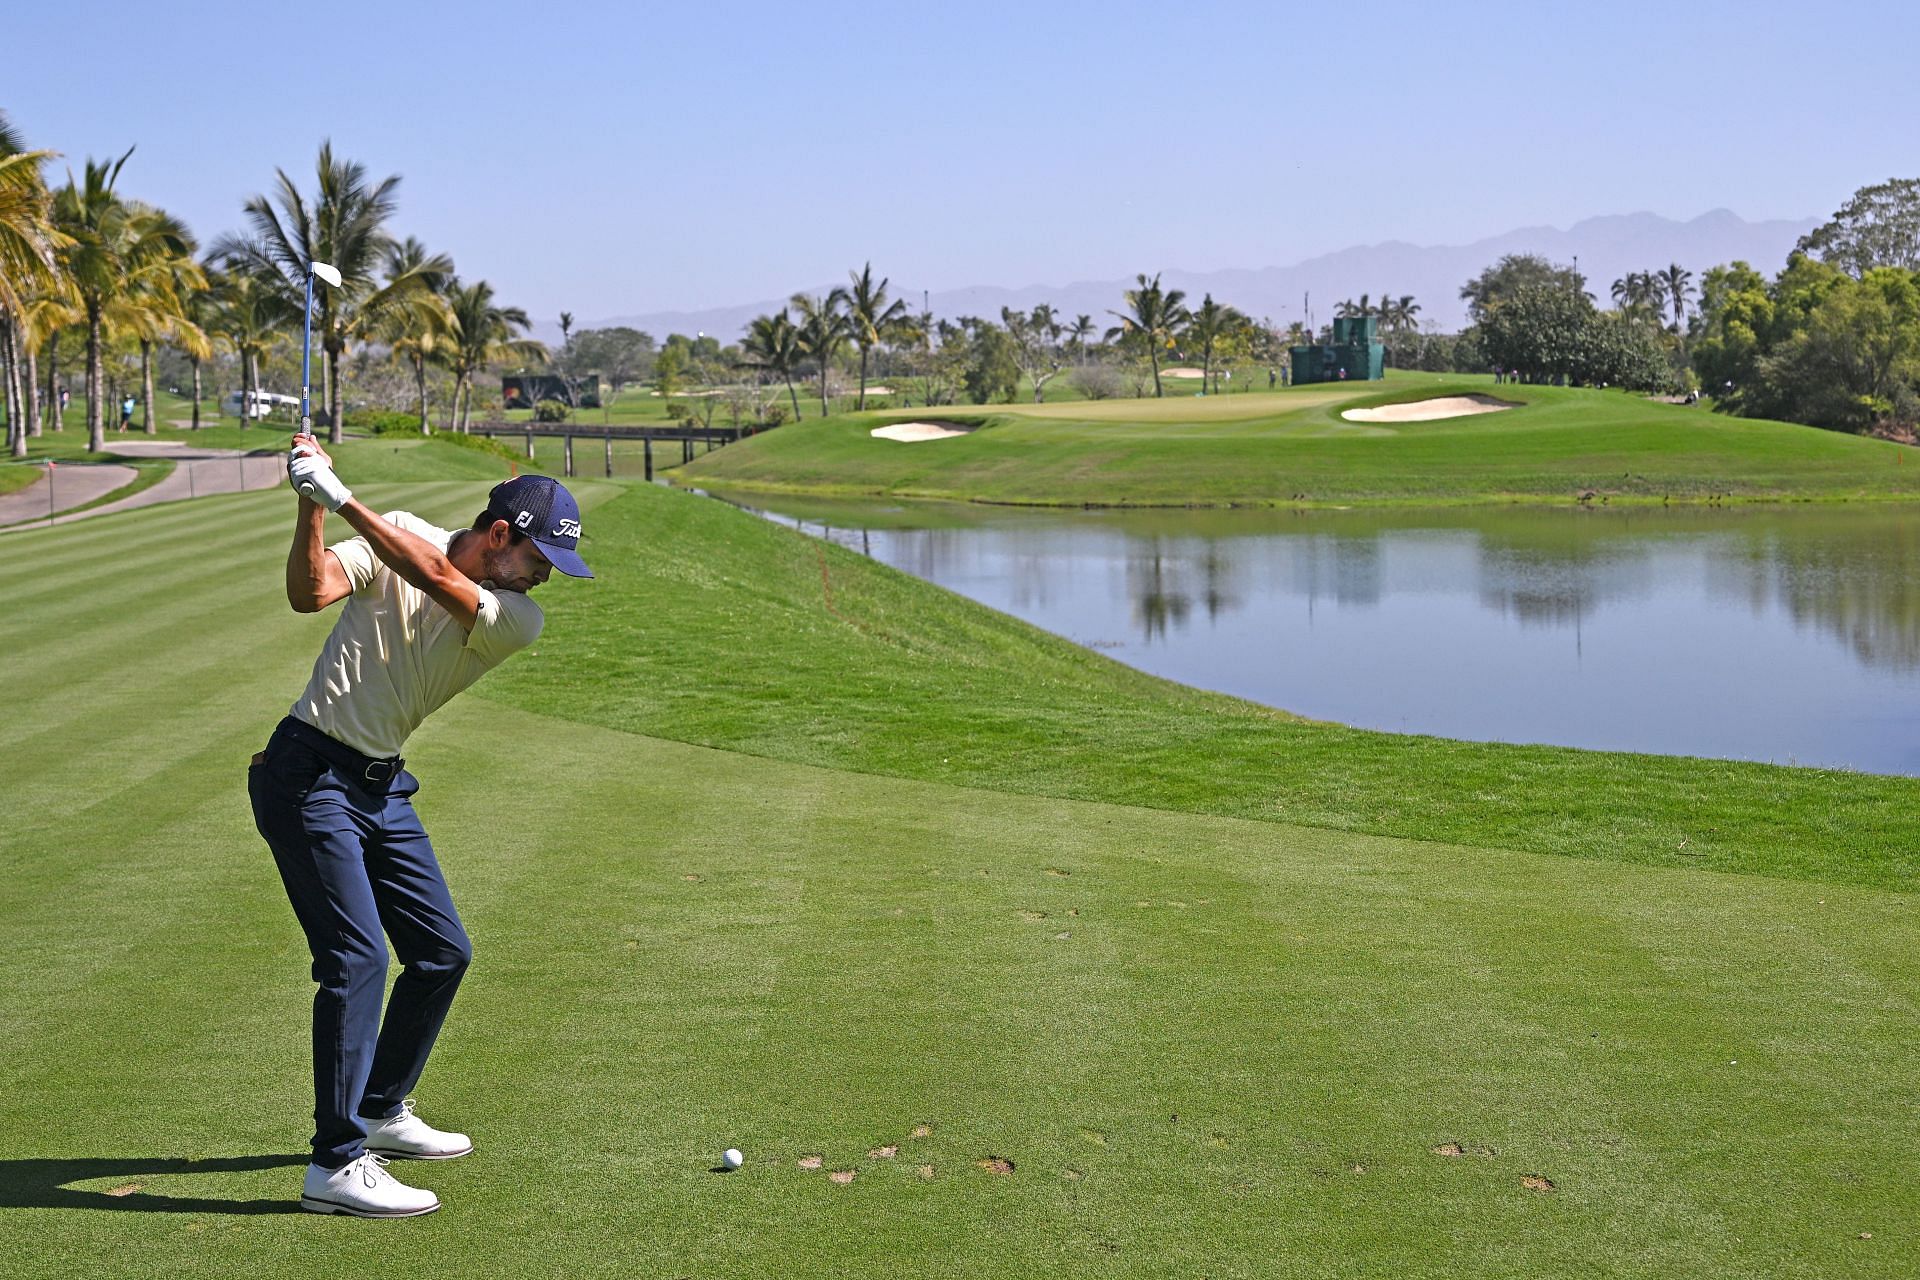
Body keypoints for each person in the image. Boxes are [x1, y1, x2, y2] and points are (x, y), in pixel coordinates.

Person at [249, 434, 592, 1217]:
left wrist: (341, 497)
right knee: (358, 959)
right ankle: (334, 1165)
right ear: (501, 535)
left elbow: (432, 574)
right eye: (541, 557)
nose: (547, 578)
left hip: (379, 786)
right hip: (306, 773)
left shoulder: (517, 616)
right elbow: (312, 593)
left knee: (441, 953)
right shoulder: (400, 528)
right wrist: (310, 502)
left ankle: (379, 1107)